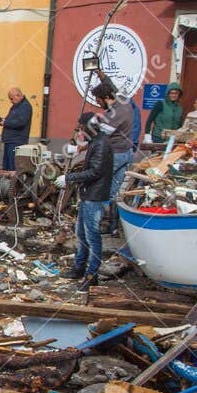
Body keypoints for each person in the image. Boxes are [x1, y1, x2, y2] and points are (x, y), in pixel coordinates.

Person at [54, 111, 114, 288]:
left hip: (94, 196)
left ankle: (91, 274)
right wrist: (78, 149)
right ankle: (79, 267)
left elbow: (95, 171)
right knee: (81, 234)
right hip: (89, 193)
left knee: (92, 236)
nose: (80, 133)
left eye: (81, 129)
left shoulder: (101, 145)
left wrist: (70, 178)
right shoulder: (97, 142)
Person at [89, 81, 133, 232]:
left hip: (115, 154)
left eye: (99, 100)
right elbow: (114, 88)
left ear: (107, 97)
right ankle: (112, 226)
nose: (97, 103)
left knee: (100, 189)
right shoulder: (123, 101)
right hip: (126, 153)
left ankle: (94, 222)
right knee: (114, 191)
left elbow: (101, 135)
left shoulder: (116, 114)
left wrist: (94, 122)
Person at [0, 87, 33, 168]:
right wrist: (3, 120)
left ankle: (13, 181)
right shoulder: (16, 106)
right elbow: (12, 120)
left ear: (18, 95)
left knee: (13, 167)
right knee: (6, 166)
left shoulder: (25, 106)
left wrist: (5, 122)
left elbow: (21, 122)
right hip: (10, 140)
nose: (10, 101)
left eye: (11, 98)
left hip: (16, 141)